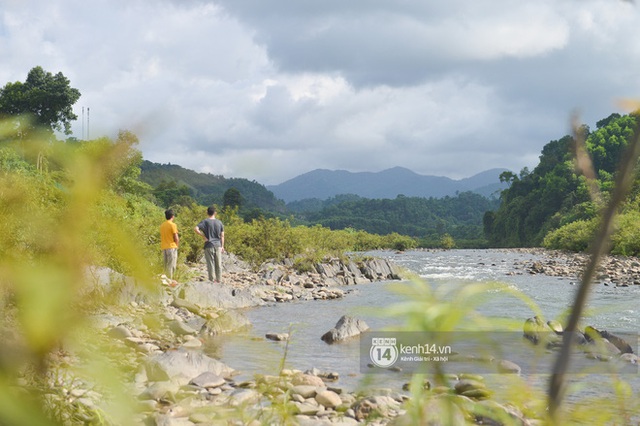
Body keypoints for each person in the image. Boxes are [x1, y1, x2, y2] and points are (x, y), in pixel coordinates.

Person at [194, 205, 225, 283]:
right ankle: (219, 280)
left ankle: (211, 280)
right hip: (218, 245)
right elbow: (222, 235)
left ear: (207, 213)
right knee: (218, 264)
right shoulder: (219, 222)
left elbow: (196, 228)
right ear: (215, 213)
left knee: (210, 263)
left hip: (209, 245)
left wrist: (203, 236)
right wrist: (222, 246)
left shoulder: (205, 221)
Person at [159, 209, 179, 280]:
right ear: (172, 216)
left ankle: (165, 279)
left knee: (166, 265)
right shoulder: (173, 225)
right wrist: (177, 246)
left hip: (164, 247)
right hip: (171, 247)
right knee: (171, 265)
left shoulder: (162, 225)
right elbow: (176, 237)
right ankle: (170, 280)